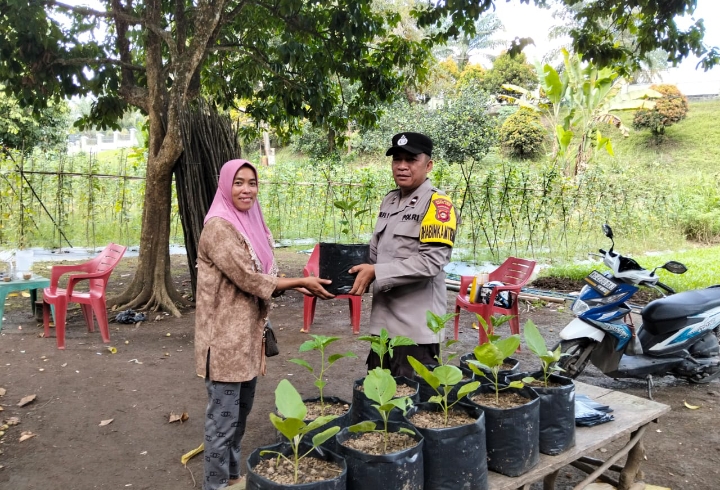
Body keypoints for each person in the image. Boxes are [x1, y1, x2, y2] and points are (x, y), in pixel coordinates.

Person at [194, 159, 334, 490]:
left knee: (238, 419)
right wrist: (295, 282)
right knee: (221, 423)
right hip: (224, 341)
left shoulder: (249, 223)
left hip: (248, 338)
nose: (246, 190)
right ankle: (214, 485)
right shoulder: (219, 227)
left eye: (252, 183)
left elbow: (262, 273)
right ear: (225, 186)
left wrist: (292, 283)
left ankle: (231, 477)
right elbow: (247, 278)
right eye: (238, 183)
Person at [348, 132, 457, 378]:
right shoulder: (390, 200)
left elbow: (432, 263)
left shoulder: (438, 205)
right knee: (378, 401)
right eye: (397, 160)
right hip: (382, 327)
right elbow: (376, 254)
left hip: (414, 332)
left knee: (411, 407)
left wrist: (376, 272)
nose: (402, 166)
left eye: (411, 160)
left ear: (428, 165)